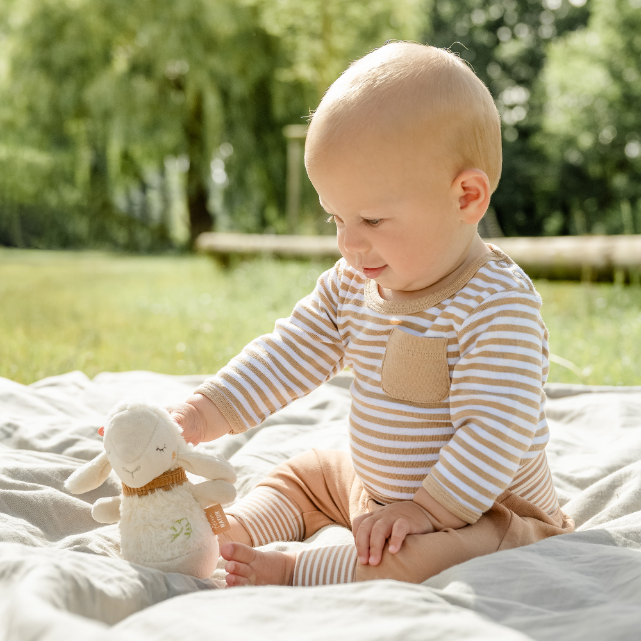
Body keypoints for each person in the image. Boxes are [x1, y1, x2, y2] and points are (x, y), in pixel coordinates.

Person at [169, 41, 574, 588]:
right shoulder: (352, 284)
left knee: (428, 555)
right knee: (308, 474)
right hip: (377, 492)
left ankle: (297, 570)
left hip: (482, 509)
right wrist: (202, 411)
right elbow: (288, 354)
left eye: (372, 220)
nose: (349, 244)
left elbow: (494, 432)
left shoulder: (497, 306)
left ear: (466, 197)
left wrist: (425, 512)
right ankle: (237, 530)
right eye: (335, 217)